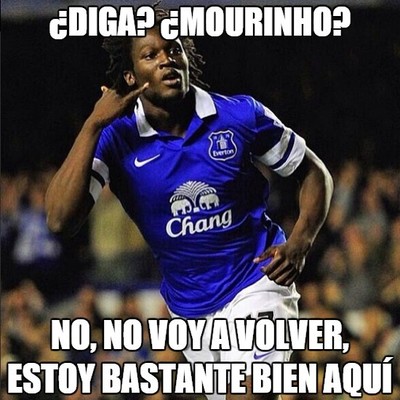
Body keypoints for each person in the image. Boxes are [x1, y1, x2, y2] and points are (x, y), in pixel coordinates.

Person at [45, 7, 333, 400]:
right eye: (150, 55)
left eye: (173, 49)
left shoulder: (238, 115)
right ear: (130, 77)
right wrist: (92, 125)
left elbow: (313, 172)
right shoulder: (116, 139)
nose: (166, 59)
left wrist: (300, 242)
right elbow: (59, 219)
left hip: (256, 281)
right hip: (190, 308)